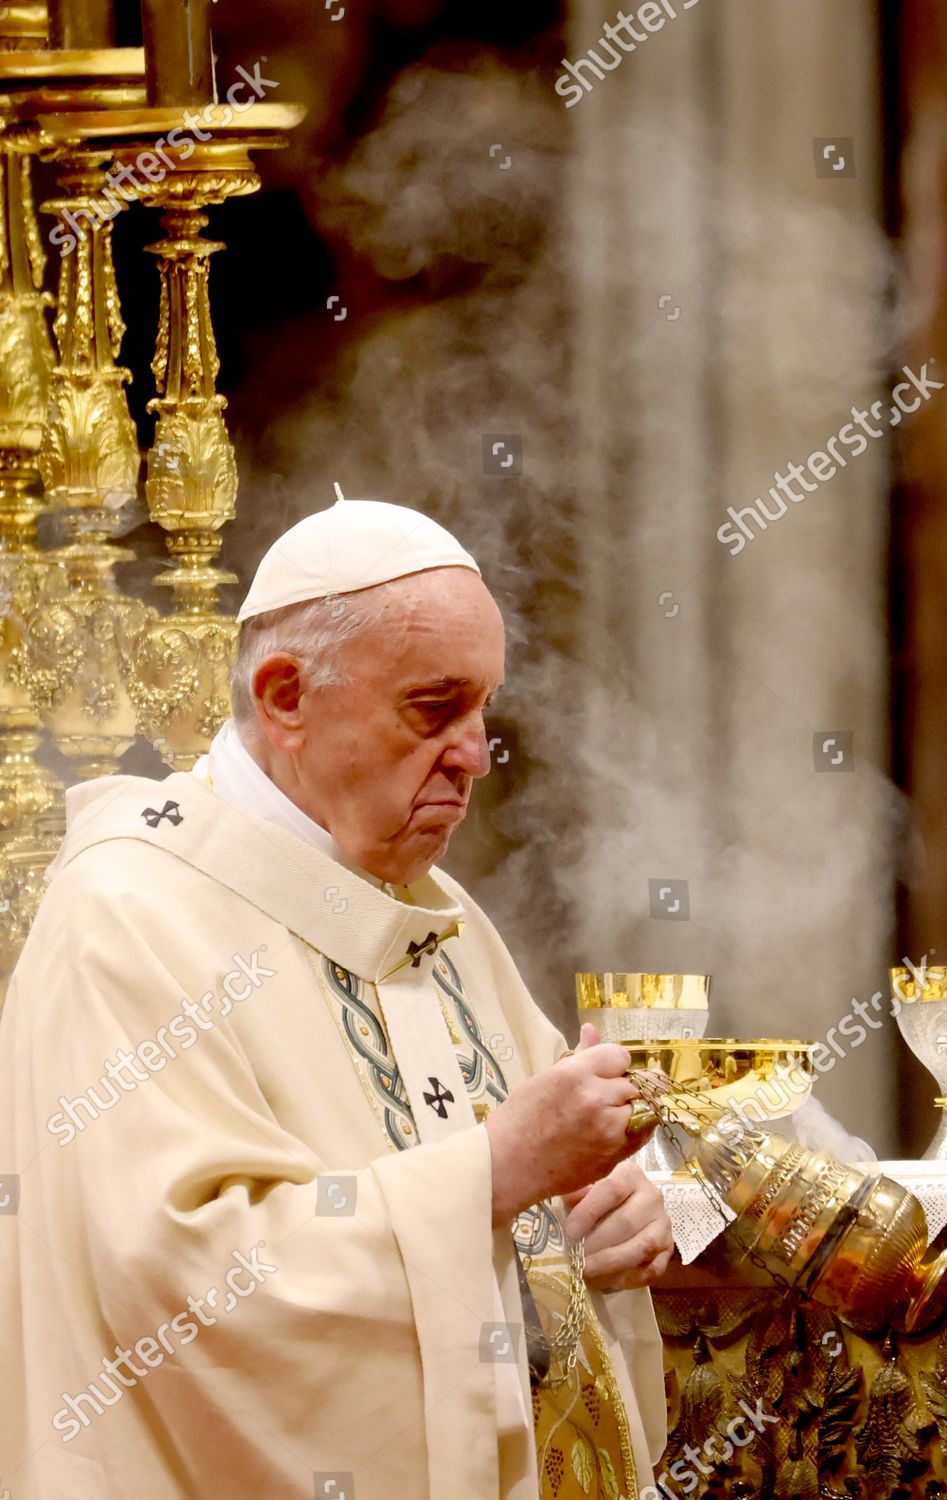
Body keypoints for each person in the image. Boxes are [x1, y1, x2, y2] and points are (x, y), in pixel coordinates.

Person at [0, 499, 673, 1500]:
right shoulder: (129, 912)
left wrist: (613, 1211)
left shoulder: (431, 913)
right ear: (284, 696)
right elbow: (179, 1288)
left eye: (483, 709)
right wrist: (489, 1178)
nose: (476, 753)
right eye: (431, 709)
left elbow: (554, 1184)